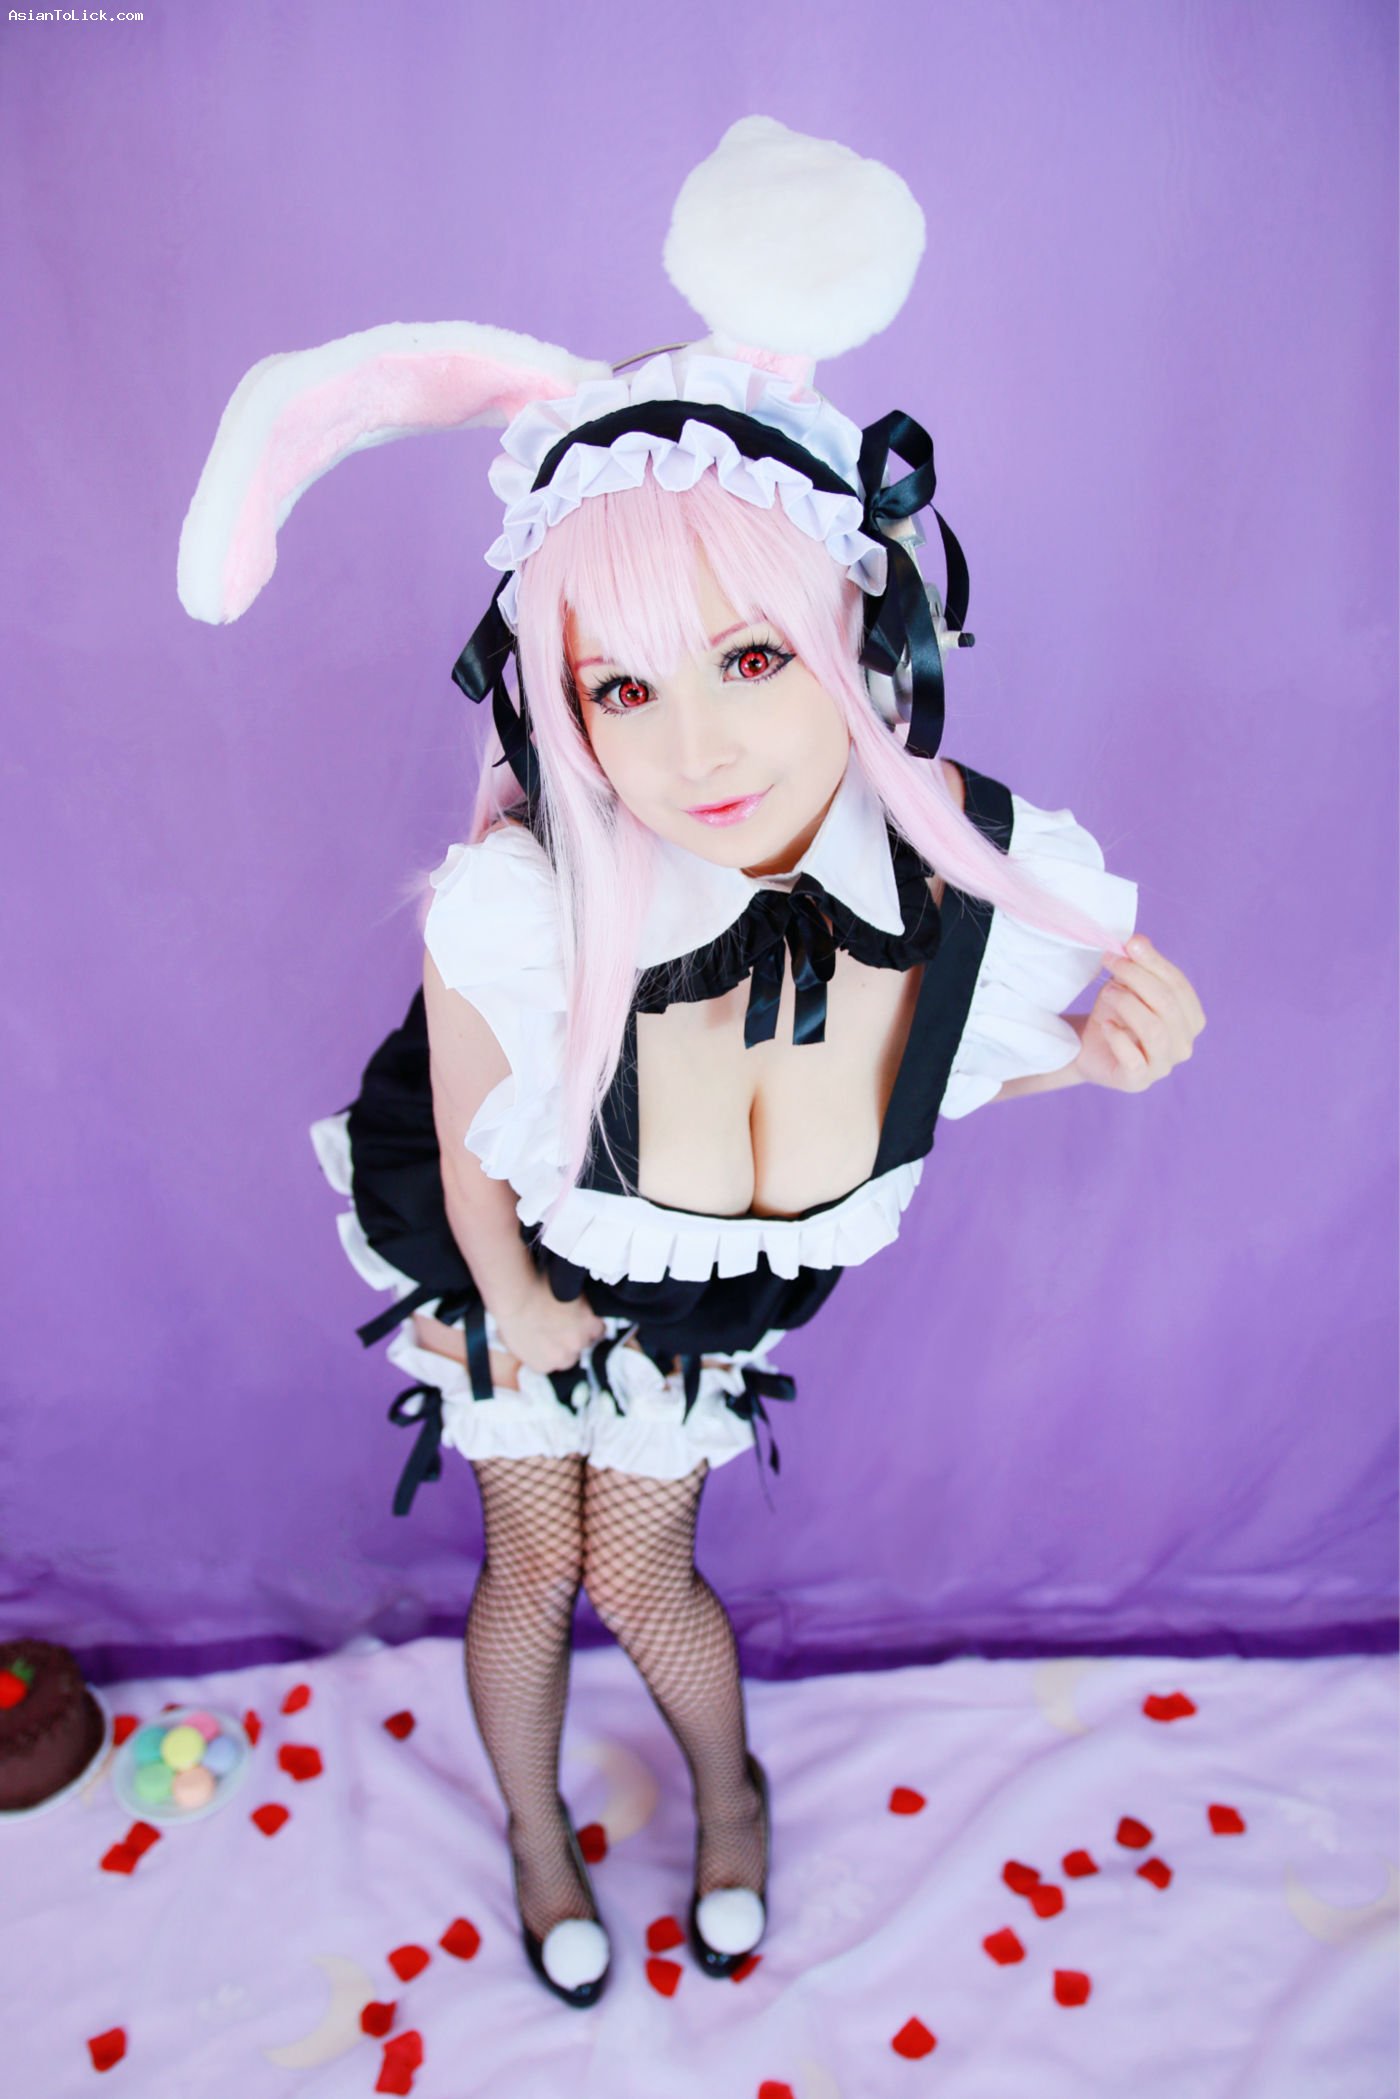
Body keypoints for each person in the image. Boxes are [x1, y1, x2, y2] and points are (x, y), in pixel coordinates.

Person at [179, 119, 1205, 2009]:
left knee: (638, 1575)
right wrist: (507, 1303)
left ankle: (727, 1796)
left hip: (705, 1291)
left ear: (855, 633)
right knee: (529, 1570)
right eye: (623, 688)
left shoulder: (969, 883)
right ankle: (537, 1831)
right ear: (558, 702)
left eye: (749, 658)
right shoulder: (522, 907)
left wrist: (1094, 1065)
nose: (697, 751)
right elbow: (471, 1138)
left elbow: (913, 1083)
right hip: (509, 1260)